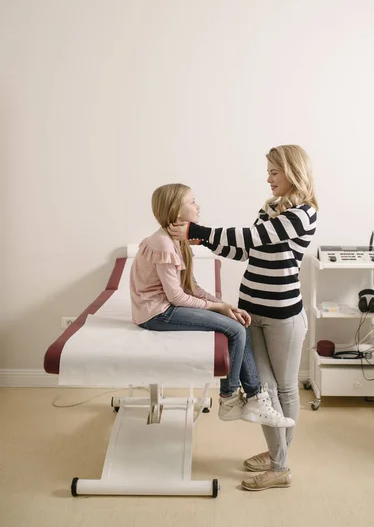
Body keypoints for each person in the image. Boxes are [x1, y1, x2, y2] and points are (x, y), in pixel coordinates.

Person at [168, 144, 318, 491]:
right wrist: (199, 240)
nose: (268, 179)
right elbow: (244, 249)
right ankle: (276, 454)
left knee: (284, 388)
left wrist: (198, 231)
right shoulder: (270, 209)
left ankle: (280, 465)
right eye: (268, 172)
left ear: (293, 172)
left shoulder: (304, 213)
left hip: (284, 317)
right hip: (252, 310)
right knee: (264, 391)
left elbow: (256, 236)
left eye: (273, 172)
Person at [130, 183, 295, 429]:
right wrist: (216, 308)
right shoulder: (162, 243)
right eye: (192, 202)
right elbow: (176, 297)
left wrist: (224, 305)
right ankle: (229, 398)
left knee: (237, 323)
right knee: (237, 330)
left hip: (164, 307)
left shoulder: (177, 241)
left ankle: (254, 398)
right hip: (155, 314)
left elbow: (191, 287)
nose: (199, 206)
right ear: (175, 210)